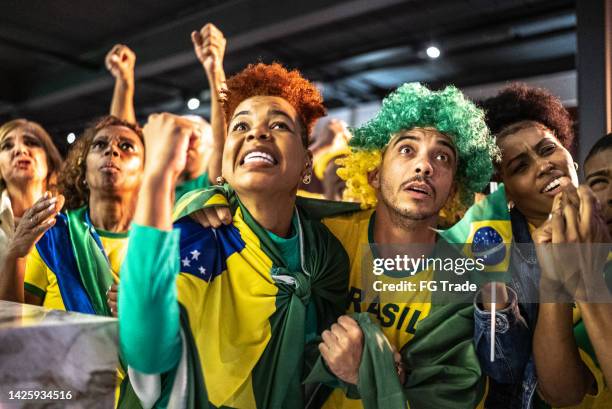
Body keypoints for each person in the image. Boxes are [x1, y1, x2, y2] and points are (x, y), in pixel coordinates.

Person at [193, 79, 499, 407]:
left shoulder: (462, 280)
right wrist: (206, 201)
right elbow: (256, 201)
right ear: (374, 174)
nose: (424, 166)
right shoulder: (323, 234)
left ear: (453, 188)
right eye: (407, 149)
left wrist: (367, 371)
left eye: (443, 158)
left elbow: (453, 396)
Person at [118, 54, 351, 408]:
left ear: (307, 162)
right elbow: (147, 356)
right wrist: (157, 176)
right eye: (240, 127)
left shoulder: (325, 254)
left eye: (280, 125)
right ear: (225, 160)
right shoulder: (198, 235)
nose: (257, 132)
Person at [476, 83, 612, 409]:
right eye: (520, 166)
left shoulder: (602, 217)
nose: (542, 165)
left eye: (547, 149)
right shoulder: (497, 256)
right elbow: (549, 388)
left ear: (570, 154)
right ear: (506, 192)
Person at [105, 42, 224, 201]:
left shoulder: (211, 184)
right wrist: (124, 81)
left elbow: (223, 136)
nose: (186, 139)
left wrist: (215, 71)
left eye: (196, 134)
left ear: (211, 149)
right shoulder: (150, 182)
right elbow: (123, 134)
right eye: (178, 133)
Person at [0, 119, 63, 301]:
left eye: (31, 142)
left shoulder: (75, 223)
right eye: (6, 146)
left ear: (50, 161)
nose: (20, 150)